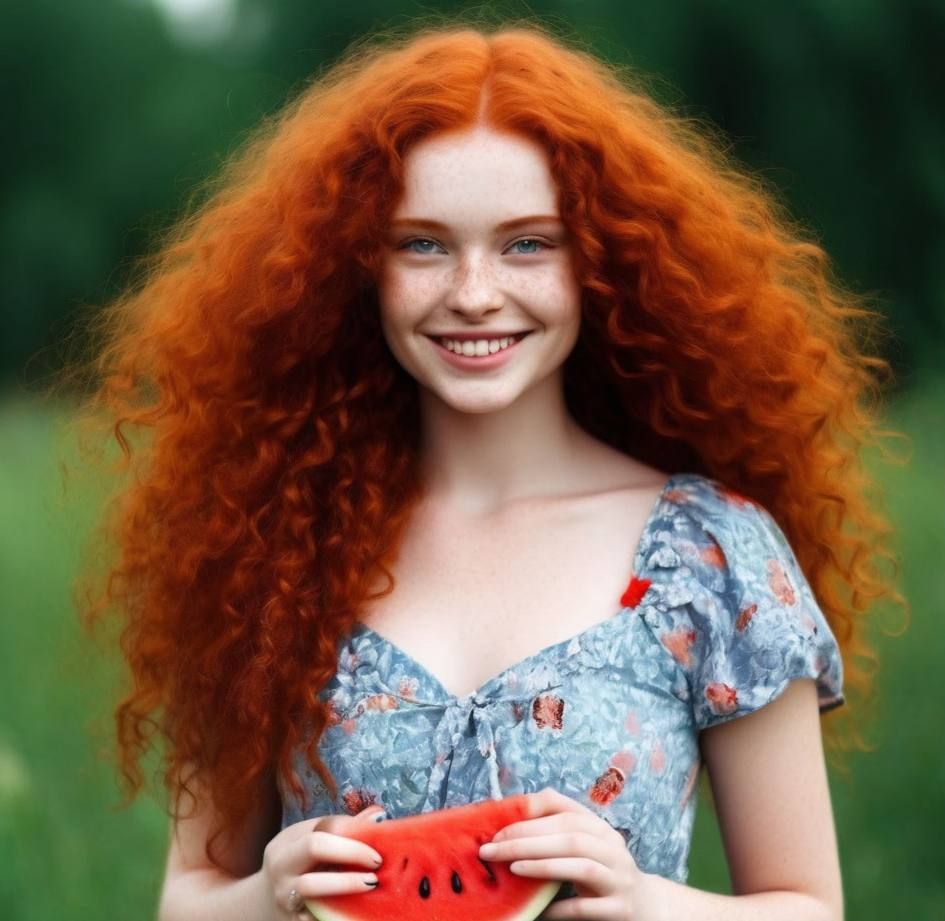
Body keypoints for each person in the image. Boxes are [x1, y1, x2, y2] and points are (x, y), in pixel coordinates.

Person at [68, 20, 902, 921]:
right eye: (420, 244)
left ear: (600, 263)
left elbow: (808, 907)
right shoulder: (263, 546)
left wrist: (646, 904)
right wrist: (269, 896)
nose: (472, 292)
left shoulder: (713, 555)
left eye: (527, 244)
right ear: (356, 268)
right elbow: (184, 899)